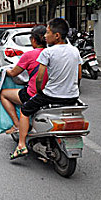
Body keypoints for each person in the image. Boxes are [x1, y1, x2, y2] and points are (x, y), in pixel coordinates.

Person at [11, 18, 82, 159]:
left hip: (51, 95)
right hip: (72, 96)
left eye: (48, 32)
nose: (45, 36)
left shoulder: (47, 53)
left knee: (25, 110)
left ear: (57, 35)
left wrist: (39, 91)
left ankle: (21, 145)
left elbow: (40, 78)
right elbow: (79, 75)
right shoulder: (75, 51)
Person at [0, 26, 48, 134]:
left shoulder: (29, 55)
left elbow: (13, 73)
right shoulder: (54, 53)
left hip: (35, 93)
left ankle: (17, 125)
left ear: (33, 40)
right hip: (53, 93)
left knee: (3, 94)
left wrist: (4, 70)